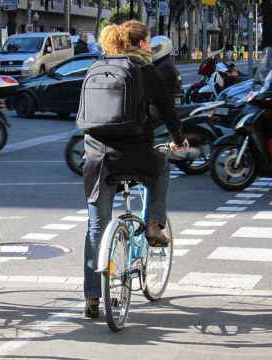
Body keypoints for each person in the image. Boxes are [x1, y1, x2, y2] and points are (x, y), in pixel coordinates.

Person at [80, 20, 186, 319]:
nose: (150, 46)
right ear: (138, 44)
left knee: (96, 227)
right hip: (136, 154)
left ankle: (91, 297)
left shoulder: (95, 68)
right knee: (162, 167)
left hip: (97, 158)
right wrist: (178, 139)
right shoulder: (145, 70)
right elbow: (168, 110)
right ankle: (154, 223)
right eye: (148, 41)